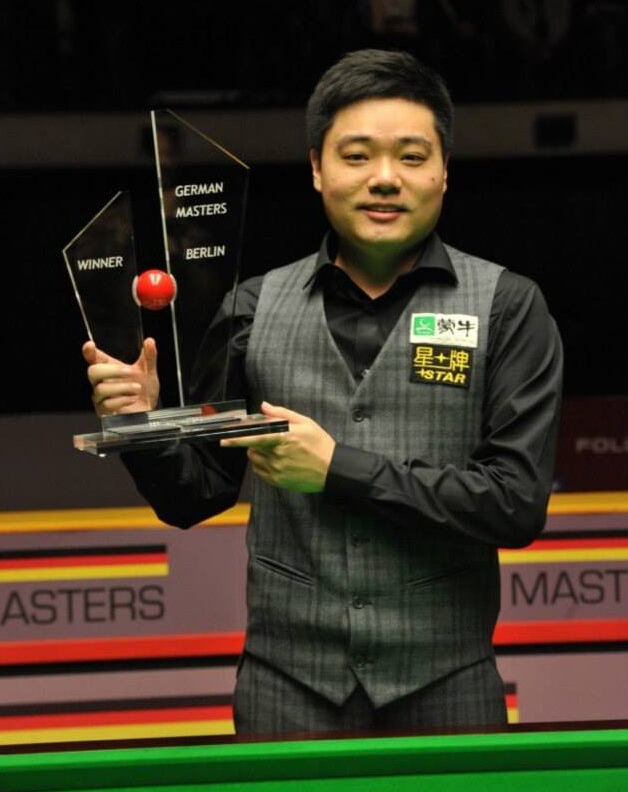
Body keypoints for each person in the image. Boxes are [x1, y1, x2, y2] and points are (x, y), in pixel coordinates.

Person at [83, 49, 563, 735]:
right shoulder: (251, 309)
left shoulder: (511, 307)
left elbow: (516, 504)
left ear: (445, 170)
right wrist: (143, 424)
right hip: (288, 691)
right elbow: (197, 494)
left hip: (450, 689)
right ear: (316, 168)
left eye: (412, 156)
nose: (385, 179)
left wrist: (338, 469)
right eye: (358, 155)